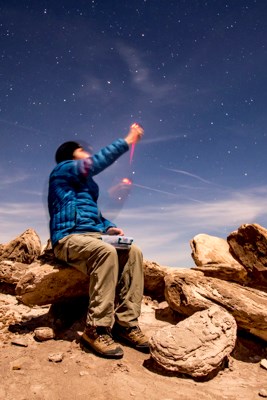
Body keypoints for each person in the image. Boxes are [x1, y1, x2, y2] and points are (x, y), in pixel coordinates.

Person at [48, 123, 149, 359]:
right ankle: (97, 328)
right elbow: (95, 163)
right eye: (82, 150)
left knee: (133, 251)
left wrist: (109, 227)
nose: (87, 152)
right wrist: (128, 140)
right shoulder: (63, 169)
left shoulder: (85, 185)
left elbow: (94, 214)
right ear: (71, 154)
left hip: (93, 236)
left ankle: (125, 325)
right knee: (105, 252)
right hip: (69, 237)